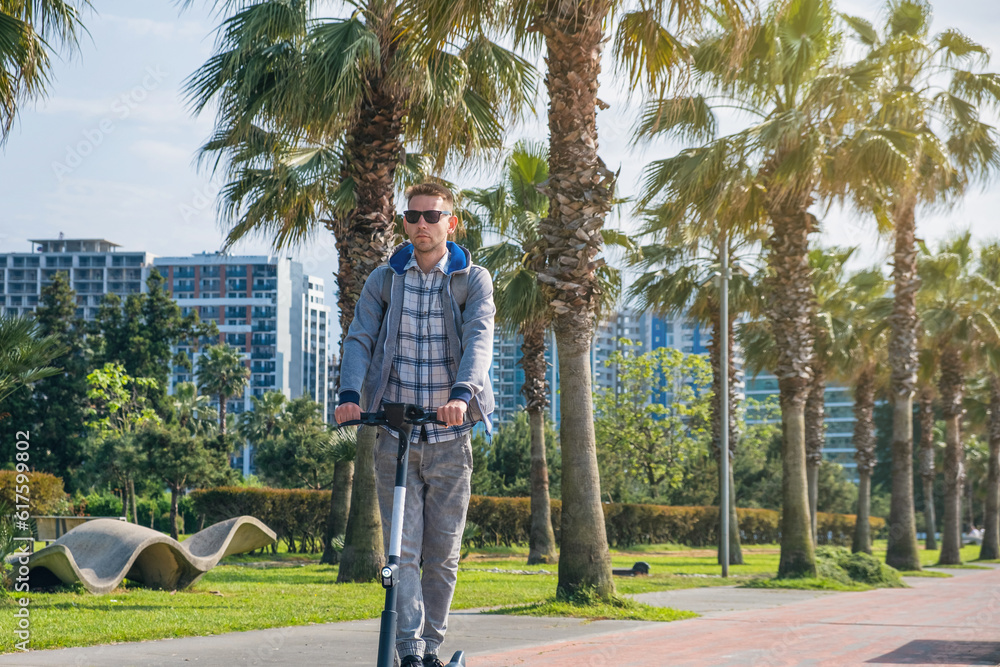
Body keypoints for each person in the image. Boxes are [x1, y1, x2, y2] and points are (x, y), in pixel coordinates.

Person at [335, 182, 495, 667]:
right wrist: (349, 395)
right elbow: (360, 338)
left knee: (442, 557)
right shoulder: (385, 279)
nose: (421, 224)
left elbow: (478, 340)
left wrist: (461, 395)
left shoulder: (472, 279)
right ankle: (409, 652)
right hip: (396, 436)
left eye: (432, 215)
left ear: (451, 222)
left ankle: (432, 646)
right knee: (401, 554)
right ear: (403, 222)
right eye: (413, 215)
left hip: (450, 437)